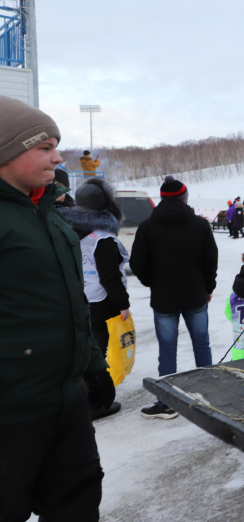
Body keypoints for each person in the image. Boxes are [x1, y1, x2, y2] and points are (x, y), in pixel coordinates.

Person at [0, 96, 114, 521]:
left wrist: (92, 366)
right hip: (11, 410)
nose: (58, 156)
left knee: (78, 503)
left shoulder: (48, 213)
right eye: (45, 147)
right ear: (7, 150)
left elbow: (70, 303)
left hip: (66, 401)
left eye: (57, 145)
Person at [130, 175, 218, 420]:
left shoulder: (147, 226)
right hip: (195, 295)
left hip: (164, 298)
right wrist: (207, 286)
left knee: (167, 352)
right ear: (185, 197)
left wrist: (153, 282)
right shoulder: (200, 225)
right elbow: (210, 260)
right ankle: (210, 397)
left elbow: (137, 262)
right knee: (202, 345)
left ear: (162, 199)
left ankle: (166, 403)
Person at [60, 177, 131, 420]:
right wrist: (123, 304)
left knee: (81, 349)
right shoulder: (102, 237)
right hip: (100, 302)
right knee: (96, 353)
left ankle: (79, 398)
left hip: (76, 298)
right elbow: (110, 276)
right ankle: (93, 403)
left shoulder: (67, 229)